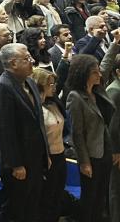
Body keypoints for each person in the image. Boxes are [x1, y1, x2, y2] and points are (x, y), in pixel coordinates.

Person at [0, 43, 49, 222]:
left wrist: (45, 153)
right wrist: (16, 164)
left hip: (35, 158)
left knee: (33, 205)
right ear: (13, 63)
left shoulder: (29, 81)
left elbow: (38, 121)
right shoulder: (2, 86)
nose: (32, 61)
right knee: (17, 209)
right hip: (18, 162)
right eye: (27, 59)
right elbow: (5, 129)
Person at [66, 51, 119, 222]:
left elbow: (106, 65)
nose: (99, 74)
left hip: (105, 150)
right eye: (94, 72)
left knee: (101, 197)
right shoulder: (75, 97)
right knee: (90, 198)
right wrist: (84, 162)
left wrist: (114, 45)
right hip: (91, 155)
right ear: (84, 74)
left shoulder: (97, 90)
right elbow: (77, 133)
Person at [30, 67, 67, 222]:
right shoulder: (35, 108)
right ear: (40, 85)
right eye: (50, 84)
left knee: (58, 195)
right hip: (47, 158)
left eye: (54, 83)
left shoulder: (54, 103)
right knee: (47, 197)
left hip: (61, 154)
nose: (54, 87)